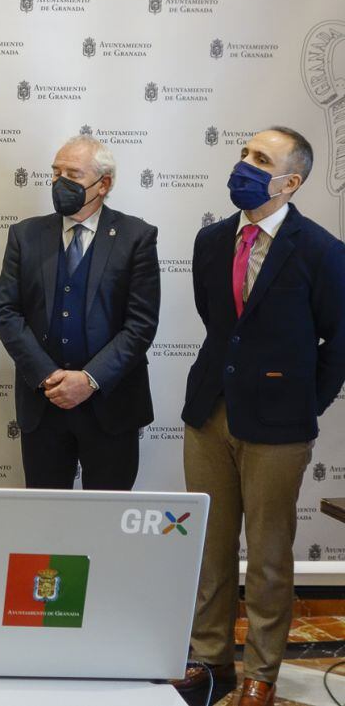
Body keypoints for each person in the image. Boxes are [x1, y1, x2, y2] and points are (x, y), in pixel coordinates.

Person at [173, 127, 345, 706]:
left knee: (269, 557)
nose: (244, 164)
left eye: (261, 160)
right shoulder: (211, 240)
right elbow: (220, 325)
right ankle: (210, 658)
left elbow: (338, 345)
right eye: (245, 153)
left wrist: (301, 405)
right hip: (208, 416)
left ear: (291, 181)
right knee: (209, 547)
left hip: (279, 428)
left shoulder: (321, 251)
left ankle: (261, 673)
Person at [0, 135, 160, 490]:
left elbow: (140, 325)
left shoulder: (136, 237)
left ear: (104, 184)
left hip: (111, 406)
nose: (59, 182)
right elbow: (7, 313)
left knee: (107, 523)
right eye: (55, 172)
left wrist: (89, 380)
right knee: (46, 523)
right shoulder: (26, 234)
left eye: (72, 173)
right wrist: (48, 376)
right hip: (44, 403)